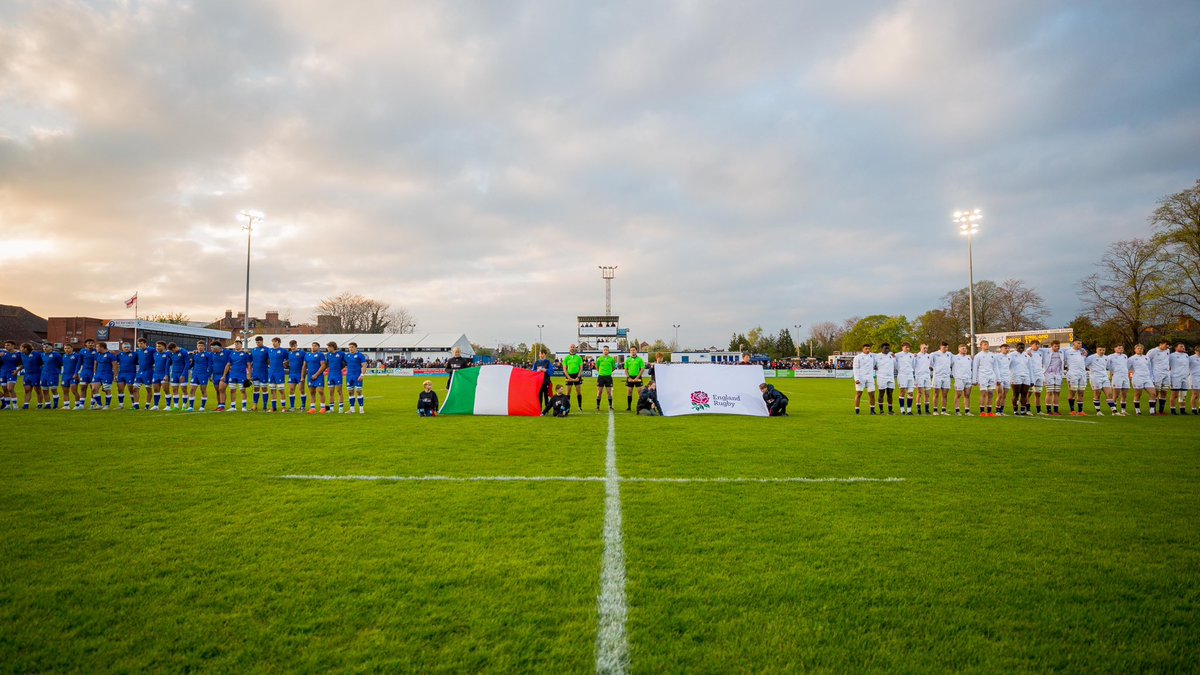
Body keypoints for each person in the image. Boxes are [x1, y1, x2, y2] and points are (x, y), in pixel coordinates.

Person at [1085, 346, 1114, 415]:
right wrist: (1092, 369)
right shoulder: (1091, 357)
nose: (1102, 351)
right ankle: (1098, 411)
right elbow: (1085, 365)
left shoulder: (1106, 358)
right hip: (1095, 378)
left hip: (1105, 377)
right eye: (1100, 350)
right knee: (1097, 394)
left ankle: (1114, 411)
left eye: (1103, 350)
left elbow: (1108, 367)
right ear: (1096, 350)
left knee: (1109, 394)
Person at [1128, 344, 1156, 415]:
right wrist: (1131, 375)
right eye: (1138, 348)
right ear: (1135, 350)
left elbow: (1150, 368)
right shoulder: (1131, 358)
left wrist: (1151, 378)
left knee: (1153, 393)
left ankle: (1152, 411)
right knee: (1138, 394)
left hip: (1147, 378)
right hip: (1137, 378)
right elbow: (1127, 368)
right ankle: (1137, 411)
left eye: (1141, 349)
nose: (1140, 350)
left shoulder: (1146, 358)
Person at [972, 340, 997, 417]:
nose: (987, 346)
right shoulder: (978, 356)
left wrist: (997, 378)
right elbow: (975, 368)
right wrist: (974, 379)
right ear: (981, 346)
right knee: (983, 393)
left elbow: (995, 367)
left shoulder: (992, 355)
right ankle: (982, 411)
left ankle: (989, 412)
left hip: (991, 376)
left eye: (987, 344)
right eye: (985, 344)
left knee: (991, 393)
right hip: (982, 376)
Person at [224, 340, 251, 412]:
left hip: (242, 375)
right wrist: (224, 375)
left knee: (242, 390)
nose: (236, 345)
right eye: (235, 344)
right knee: (232, 390)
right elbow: (228, 364)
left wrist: (249, 375)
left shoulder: (245, 354)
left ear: (241, 345)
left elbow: (248, 365)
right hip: (233, 374)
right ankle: (233, 407)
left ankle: (244, 407)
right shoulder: (231, 354)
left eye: (238, 344)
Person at [1063, 339, 1088, 416]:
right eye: (1078, 343)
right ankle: (1072, 410)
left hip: (1082, 374)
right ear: (1073, 343)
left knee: (1081, 393)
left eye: (1081, 343)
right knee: (1072, 392)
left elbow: (1085, 356)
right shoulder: (1067, 351)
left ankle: (1080, 411)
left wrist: (1084, 351)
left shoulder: (1082, 352)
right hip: (1072, 374)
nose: (1080, 344)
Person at [1147, 339, 1171, 414]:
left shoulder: (1167, 351)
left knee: (1164, 392)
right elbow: (1146, 361)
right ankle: (1152, 409)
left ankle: (1161, 410)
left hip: (1166, 374)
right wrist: (1150, 373)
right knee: (1156, 392)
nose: (1167, 347)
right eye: (1166, 345)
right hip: (1156, 374)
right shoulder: (1153, 351)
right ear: (1161, 344)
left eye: (1168, 346)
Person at [91, 342, 118, 409]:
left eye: (97, 347)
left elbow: (115, 365)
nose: (96, 348)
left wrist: (115, 376)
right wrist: (95, 373)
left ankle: (107, 405)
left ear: (102, 347)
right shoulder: (97, 354)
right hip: (98, 374)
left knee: (106, 390)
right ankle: (99, 405)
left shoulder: (110, 355)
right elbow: (96, 364)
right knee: (94, 389)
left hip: (107, 374)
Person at [929, 342, 953, 415]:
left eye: (947, 347)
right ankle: (935, 410)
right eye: (944, 347)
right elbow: (930, 363)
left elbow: (952, 363)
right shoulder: (934, 354)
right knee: (936, 394)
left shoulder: (950, 354)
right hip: (937, 376)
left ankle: (943, 410)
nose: (946, 349)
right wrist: (936, 369)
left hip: (946, 377)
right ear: (940, 347)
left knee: (945, 394)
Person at [265, 337, 288, 413]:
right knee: (272, 390)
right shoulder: (269, 350)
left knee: (281, 390)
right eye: (273, 342)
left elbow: (289, 358)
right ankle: (273, 407)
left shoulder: (283, 351)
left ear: (279, 342)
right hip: (271, 372)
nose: (273, 343)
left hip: (279, 372)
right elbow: (267, 359)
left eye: (275, 342)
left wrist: (285, 364)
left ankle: (283, 407)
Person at [303, 342, 327, 414]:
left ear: (318, 347)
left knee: (320, 391)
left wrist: (316, 374)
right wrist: (302, 376)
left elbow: (323, 366)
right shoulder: (307, 355)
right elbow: (304, 366)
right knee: (312, 392)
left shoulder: (320, 355)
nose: (313, 347)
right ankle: (312, 408)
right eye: (312, 346)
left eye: (315, 346)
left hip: (318, 376)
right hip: (310, 376)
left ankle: (323, 408)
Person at [18, 343, 44, 409]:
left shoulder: (36, 354)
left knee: (37, 390)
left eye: (21, 348)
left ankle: (40, 405)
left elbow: (42, 362)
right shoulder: (22, 355)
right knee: (27, 390)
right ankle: (26, 405)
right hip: (27, 375)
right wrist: (17, 371)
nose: (20, 349)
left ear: (25, 348)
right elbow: (24, 364)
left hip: (36, 374)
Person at [345, 342, 368, 414]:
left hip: (357, 376)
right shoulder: (347, 356)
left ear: (356, 348)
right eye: (349, 347)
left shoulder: (360, 355)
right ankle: (352, 409)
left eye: (352, 347)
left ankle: (361, 409)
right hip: (349, 376)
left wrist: (362, 375)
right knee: (350, 392)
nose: (350, 349)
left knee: (358, 392)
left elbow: (364, 365)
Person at [852, 344, 876, 415]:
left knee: (872, 394)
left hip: (870, 377)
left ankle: (872, 410)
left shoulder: (872, 356)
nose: (868, 350)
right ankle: (857, 410)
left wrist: (892, 354)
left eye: (869, 349)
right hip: (861, 378)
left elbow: (881, 355)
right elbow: (855, 368)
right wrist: (856, 379)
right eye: (866, 349)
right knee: (859, 394)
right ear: (862, 349)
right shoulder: (858, 357)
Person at [1043, 340, 1065, 415]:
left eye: (1058, 346)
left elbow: (1072, 349)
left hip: (1058, 374)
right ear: (1051, 346)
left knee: (1057, 392)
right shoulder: (1046, 351)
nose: (1057, 347)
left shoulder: (1062, 352)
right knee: (1049, 392)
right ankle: (1049, 410)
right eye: (1055, 346)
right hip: (1049, 374)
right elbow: (1031, 348)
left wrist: (1083, 350)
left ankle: (1056, 410)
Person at [188, 340, 211, 412]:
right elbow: (192, 365)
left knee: (203, 390)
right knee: (192, 390)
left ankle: (202, 406)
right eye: (199, 346)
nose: (200, 347)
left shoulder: (207, 355)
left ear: (204, 347)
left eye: (201, 346)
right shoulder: (195, 355)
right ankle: (191, 407)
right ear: (197, 346)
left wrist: (210, 375)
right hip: (195, 374)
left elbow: (210, 365)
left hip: (203, 375)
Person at [1168, 342, 1191, 414]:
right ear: (1176, 348)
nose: (1183, 347)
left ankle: (1182, 411)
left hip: (1185, 377)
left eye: (1183, 346)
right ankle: (1173, 410)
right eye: (1181, 346)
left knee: (1183, 395)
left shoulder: (1186, 355)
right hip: (1175, 377)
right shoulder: (1171, 356)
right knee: (1174, 395)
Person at [167, 342, 190, 411]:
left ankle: (184, 405)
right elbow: (169, 362)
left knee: (184, 389)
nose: (172, 352)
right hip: (174, 373)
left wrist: (183, 374)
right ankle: (176, 406)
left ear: (175, 348)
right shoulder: (171, 353)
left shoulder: (184, 352)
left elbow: (187, 364)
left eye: (172, 350)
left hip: (183, 373)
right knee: (174, 390)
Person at [874, 344, 896, 415]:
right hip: (881, 377)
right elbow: (873, 365)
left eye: (888, 348)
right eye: (885, 348)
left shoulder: (891, 356)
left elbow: (895, 364)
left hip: (891, 377)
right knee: (881, 394)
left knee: (890, 394)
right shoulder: (877, 356)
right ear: (881, 348)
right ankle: (881, 410)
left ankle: (890, 410)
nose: (887, 350)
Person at [133, 337, 155, 410]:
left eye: (141, 343)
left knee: (148, 389)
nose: (139, 345)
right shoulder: (138, 351)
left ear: (145, 343)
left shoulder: (152, 350)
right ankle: (136, 405)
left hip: (148, 372)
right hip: (140, 372)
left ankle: (147, 405)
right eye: (138, 344)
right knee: (135, 388)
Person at [39, 343, 63, 409]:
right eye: (43, 347)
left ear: (51, 347)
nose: (45, 348)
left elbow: (60, 363)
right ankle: (47, 405)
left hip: (53, 374)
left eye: (46, 347)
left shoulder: (56, 355)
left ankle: (55, 405)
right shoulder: (42, 355)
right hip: (44, 374)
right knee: (44, 390)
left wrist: (56, 370)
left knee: (53, 389)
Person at [1010, 343, 1031, 415]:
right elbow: (1007, 365)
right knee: (1016, 394)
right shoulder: (1011, 355)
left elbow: (1029, 367)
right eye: (1019, 347)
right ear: (1016, 347)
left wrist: (1031, 379)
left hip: (1026, 376)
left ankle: (1022, 411)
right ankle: (1015, 410)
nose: (1021, 348)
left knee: (1024, 394)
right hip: (1016, 376)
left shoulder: (1026, 355)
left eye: (1023, 347)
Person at [1027, 340, 1048, 414]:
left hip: (1040, 374)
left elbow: (1050, 349)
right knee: (1029, 393)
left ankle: (1039, 411)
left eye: (1038, 344)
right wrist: (1027, 350)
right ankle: (1028, 410)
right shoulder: (1028, 352)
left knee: (1038, 394)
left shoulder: (1041, 352)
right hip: (1031, 375)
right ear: (1031, 345)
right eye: (1036, 344)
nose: (1038, 346)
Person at [209, 341, 231, 412]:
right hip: (215, 375)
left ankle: (222, 406)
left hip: (224, 375)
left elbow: (230, 362)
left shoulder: (227, 352)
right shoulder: (212, 354)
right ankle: (219, 406)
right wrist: (211, 375)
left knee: (221, 389)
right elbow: (211, 365)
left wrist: (225, 374)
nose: (211, 349)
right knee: (217, 391)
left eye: (212, 347)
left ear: (217, 347)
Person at [75, 338, 97, 409]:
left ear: (94, 344)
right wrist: (76, 372)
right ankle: (81, 405)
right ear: (86, 344)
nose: (90, 344)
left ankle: (92, 404)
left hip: (94, 372)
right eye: (88, 343)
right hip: (84, 372)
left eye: (92, 343)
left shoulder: (97, 351)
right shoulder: (82, 351)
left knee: (93, 388)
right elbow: (79, 362)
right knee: (83, 388)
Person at [562, 344, 585, 411]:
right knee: (568, 392)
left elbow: (581, 368)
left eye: (573, 347)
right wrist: (568, 377)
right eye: (571, 347)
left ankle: (580, 406)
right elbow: (564, 369)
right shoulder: (566, 358)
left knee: (578, 392)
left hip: (577, 375)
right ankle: (567, 407)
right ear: (569, 348)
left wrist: (578, 376)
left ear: (575, 348)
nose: (572, 348)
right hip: (569, 375)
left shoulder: (579, 358)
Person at [951, 344, 973, 415]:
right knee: (958, 394)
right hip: (959, 378)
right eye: (963, 348)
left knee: (967, 395)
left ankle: (967, 411)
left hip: (968, 378)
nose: (965, 349)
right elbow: (948, 365)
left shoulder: (969, 357)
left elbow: (972, 367)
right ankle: (957, 411)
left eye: (965, 348)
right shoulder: (954, 357)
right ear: (959, 349)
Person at [895, 343, 916, 415]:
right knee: (902, 392)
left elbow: (913, 365)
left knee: (911, 393)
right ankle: (902, 410)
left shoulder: (912, 355)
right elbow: (894, 363)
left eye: (909, 347)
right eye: (906, 347)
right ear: (902, 347)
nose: (907, 349)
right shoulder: (897, 355)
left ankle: (909, 410)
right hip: (902, 375)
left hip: (910, 374)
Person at [249, 336, 269, 411]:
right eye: (256, 342)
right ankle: (255, 405)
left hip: (263, 372)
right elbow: (250, 362)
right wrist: (250, 374)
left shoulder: (267, 350)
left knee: (264, 388)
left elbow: (270, 360)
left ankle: (265, 405)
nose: (258, 343)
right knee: (256, 388)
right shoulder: (253, 350)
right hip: (255, 372)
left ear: (262, 341)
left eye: (259, 342)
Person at [115, 342, 137, 409]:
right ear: (122, 348)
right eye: (125, 347)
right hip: (121, 374)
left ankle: (134, 404)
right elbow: (115, 362)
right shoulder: (120, 354)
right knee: (120, 389)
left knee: (130, 389)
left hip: (131, 373)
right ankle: (121, 405)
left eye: (128, 347)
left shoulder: (135, 354)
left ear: (130, 347)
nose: (126, 348)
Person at [59, 343, 80, 411]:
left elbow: (78, 365)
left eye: (68, 348)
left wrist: (76, 373)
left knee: (74, 390)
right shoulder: (64, 356)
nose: (67, 350)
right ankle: (66, 405)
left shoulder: (76, 355)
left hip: (73, 375)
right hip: (65, 376)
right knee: (65, 391)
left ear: (72, 348)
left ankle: (77, 405)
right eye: (65, 348)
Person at [624, 346, 645, 411]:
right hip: (630, 377)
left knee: (640, 392)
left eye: (634, 350)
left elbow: (642, 369)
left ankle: (641, 407)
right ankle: (629, 407)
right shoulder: (628, 360)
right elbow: (626, 369)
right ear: (630, 352)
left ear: (636, 351)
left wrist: (637, 377)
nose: (633, 351)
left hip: (638, 377)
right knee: (629, 392)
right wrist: (628, 377)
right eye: (631, 350)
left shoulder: (640, 359)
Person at [286, 340, 306, 412]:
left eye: (294, 346)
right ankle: (292, 407)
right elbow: (288, 362)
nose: (293, 348)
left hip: (300, 374)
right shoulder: (289, 353)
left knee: (301, 390)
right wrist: (286, 364)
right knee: (291, 390)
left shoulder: (302, 353)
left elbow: (305, 363)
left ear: (296, 345)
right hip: (292, 374)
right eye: (291, 346)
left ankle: (303, 406)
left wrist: (303, 375)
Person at [994, 343, 1013, 416]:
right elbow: (995, 367)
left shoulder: (1009, 357)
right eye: (1005, 348)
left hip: (1007, 377)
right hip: (999, 377)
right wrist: (997, 378)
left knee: (1004, 395)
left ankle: (1001, 411)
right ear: (1001, 349)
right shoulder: (997, 356)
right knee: (1000, 394)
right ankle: (997, 411)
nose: (1007, 350)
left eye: (1008, 348)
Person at [595, 346, 616, 411]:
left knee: (609, 392)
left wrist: (608, 372)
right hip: (601, 377)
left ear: (608, 351)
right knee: (599, 392)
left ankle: (610, 406)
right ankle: (598, 406)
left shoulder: (611, 359)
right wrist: (601, 372)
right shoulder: (599, 359)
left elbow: (613, 368)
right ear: (602, 351)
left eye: (607, 350)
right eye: (604, 350)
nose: (605, 351)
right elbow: (597, 367)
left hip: (608, 377)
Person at [0, 341, 20, 410]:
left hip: (12, 373)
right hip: (3, 373)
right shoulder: (2, 352)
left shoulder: (18, 354)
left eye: (8, 345)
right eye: (5, 345)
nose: (6, 346)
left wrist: (17, 371)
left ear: (13, 346)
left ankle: (15, 405)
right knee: (5, 389)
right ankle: (8, 405)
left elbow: (23, 363)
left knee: (10, 388)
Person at [150, 340, 170, 411]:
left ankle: (168, 406)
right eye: (156, 346)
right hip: (156, 374)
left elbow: (167, 366)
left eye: (159, 346)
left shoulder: (167, 354)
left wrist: (166, 375)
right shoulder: (155, 354)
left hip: (164, 375)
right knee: (156, 390)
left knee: (166, 390)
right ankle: (156, 405)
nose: (157, 347)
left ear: (164, 347)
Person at [1189, 345, 1200, 414]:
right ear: (1195, 351)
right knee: (1195, 395)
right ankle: (1193, 409)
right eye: (1198, 351)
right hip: (1194, 377)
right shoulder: (1191, 358)